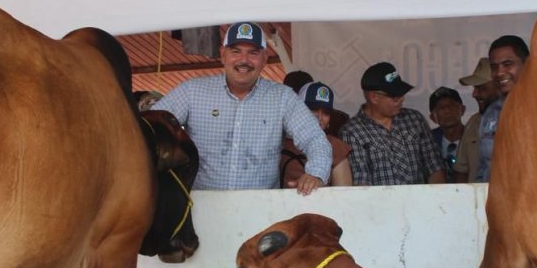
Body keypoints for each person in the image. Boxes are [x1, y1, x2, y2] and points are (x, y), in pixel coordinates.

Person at [155, 22, 332, 194]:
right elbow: (151, 126)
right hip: (202, 206)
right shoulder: (191, 91)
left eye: (253, 53)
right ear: (223, 54)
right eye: (236, 51)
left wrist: (316, 173)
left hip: (260, 209)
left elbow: (315, 138)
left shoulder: (283, 97)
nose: (244, 60)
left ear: (264, 59)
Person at [340, 62, 445, 186]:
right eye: (395, 96)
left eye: (402, 94)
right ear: (374, 97)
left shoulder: (415, 119)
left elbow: (435, 167)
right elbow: (361, 183)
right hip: (379, 204)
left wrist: (435, 199)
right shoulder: (352, 131)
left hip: (420, 202)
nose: (401, 99)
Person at [476, 35, 529, 182]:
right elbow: (483, 166)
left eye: (507, 64)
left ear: (528, 64)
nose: (499, 72)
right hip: (495, 200)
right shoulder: (490, 114)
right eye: (494, 67)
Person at [281, 81, 353, 188]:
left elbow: (343, 193)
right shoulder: (279, 142)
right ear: (297, 112)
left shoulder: (335, 146)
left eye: (326, 113)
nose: (319, 117)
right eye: (313, 109)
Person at [453, 58, 500, 183]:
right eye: (475, 88)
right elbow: (461, 172)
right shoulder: (473, 122)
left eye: (481, 88)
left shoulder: (521, 121)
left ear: (499, 87)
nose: (474, 94)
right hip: (476, 201)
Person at [428, 86, 465, 183]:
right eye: (441, 108)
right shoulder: (428, 141)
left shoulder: (476, 137)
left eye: (451, 105)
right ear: (433, 117)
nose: (447, 110)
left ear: (463, 109)